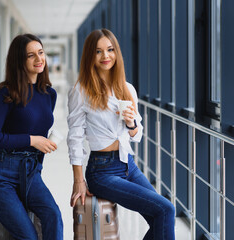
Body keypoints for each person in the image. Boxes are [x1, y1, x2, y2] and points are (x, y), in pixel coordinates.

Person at [67, 28, 175, 240]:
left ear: (116, 52)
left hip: (129, 165)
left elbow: (137, 135)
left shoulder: (127, 89)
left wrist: (131, 122)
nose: (106, 56)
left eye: (110, 50)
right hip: (102, 171)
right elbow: (75, 137)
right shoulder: (81, 90)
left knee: (160, 216)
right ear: (90, 55)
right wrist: (78, 179)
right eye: (98, 51)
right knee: (166, 209)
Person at [0, 34, 63, 240]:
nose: (39, 59)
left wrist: (38, 162)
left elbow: (41, 132)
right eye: (31, 55)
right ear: (20, 60)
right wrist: (32, 140)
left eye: (41, 53)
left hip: (30, 171)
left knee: (53, 215)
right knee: (28, 235)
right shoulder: (5, 93)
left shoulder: (48, 94)